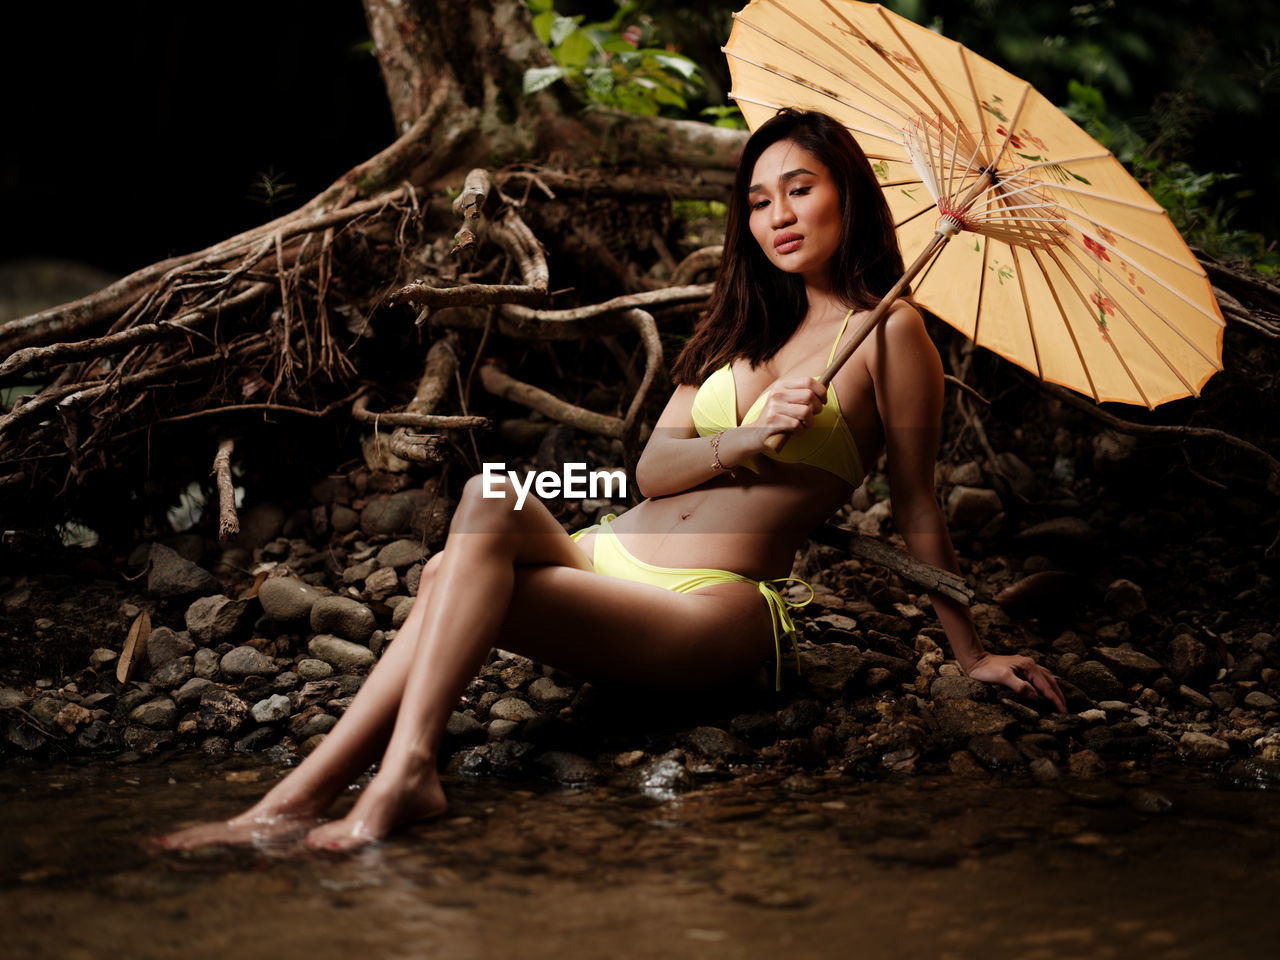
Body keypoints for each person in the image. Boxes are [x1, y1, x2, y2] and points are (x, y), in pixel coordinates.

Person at [159, 108, 1065, 853]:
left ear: (848, 200)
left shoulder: (892, 336)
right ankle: (323, 793)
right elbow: (653, 469)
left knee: (444, 575)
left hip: (713, 603)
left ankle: (366, 784)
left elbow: (916, 508)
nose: (778, 215)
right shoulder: (736, 326)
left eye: (800, 189)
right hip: (604, 553)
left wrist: (971, 653)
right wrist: (747, 435)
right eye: (757, 200)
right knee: (487, 499)